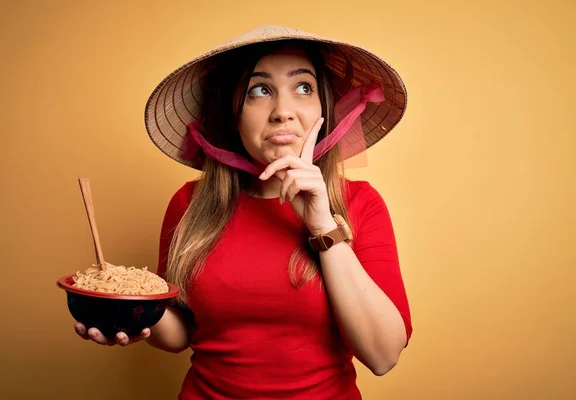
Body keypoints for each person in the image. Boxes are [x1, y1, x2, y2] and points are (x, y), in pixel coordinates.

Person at [75, 25, 413, 399]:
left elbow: (383, 356)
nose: (283, 112)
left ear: (325, 109)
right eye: (259, 90)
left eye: (304, 88)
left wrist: (321, 223)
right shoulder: (189, 204)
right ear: (233, 115)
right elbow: (181, 333)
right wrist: (128, 314)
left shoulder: (361, 204)